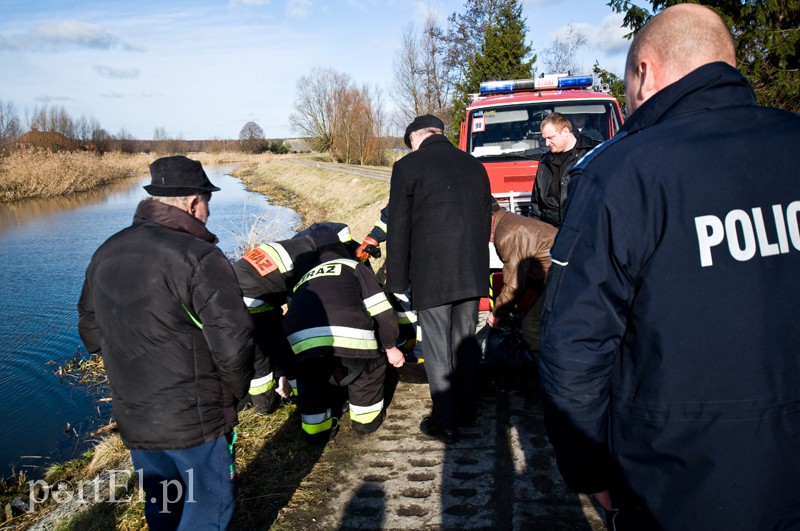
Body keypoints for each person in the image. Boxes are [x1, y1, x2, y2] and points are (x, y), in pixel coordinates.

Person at [538, 5, 800, 530]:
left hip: (677, 486)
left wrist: (592, 475)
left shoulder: (621, 174)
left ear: (644, 72)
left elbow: (573, 350)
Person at [78, 155, 254, 529]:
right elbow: (234, 342)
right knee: (208, 509)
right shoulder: (200, 257)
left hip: (136, 418)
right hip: (195, 420)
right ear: (193, 203)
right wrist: (236, 396)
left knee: (164, 507)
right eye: (208, 202)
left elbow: (91, 335)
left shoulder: (106, 251)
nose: (208, 212)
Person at [386, 114, 492, 444]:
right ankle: (467, 411)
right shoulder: (475, 165)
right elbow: (485, 217)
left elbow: (398, 228)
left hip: (432, 275)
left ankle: (445, 421)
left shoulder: (408, 167)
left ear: (417, 138)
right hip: (472, 272)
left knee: (437, 349)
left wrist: (397, 282)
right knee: (465, 342)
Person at [282, 226, 405, 443]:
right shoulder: (353, 266)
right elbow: (382, 311)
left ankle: (317, 433)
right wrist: (390, 347)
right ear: (341, 248)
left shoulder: (303, 279)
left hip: (302, 349)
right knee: (370, 369)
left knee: (312, 380)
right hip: (353, 344)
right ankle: (365, 421)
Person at [485, 198, 557, 356]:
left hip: (561, 281)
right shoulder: (509, 221)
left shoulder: (506, 233)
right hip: (557, 279)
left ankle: (544, 377)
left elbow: (515, 284)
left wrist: (497, 313)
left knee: (531, 328)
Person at [528, 112, 600, 228]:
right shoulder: (545, 161)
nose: (547, 143)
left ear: (565, 132)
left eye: (550, 138)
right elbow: (536, 206)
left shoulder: (592, 155)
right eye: (545, 139)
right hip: (549, 234)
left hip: (584, 231)